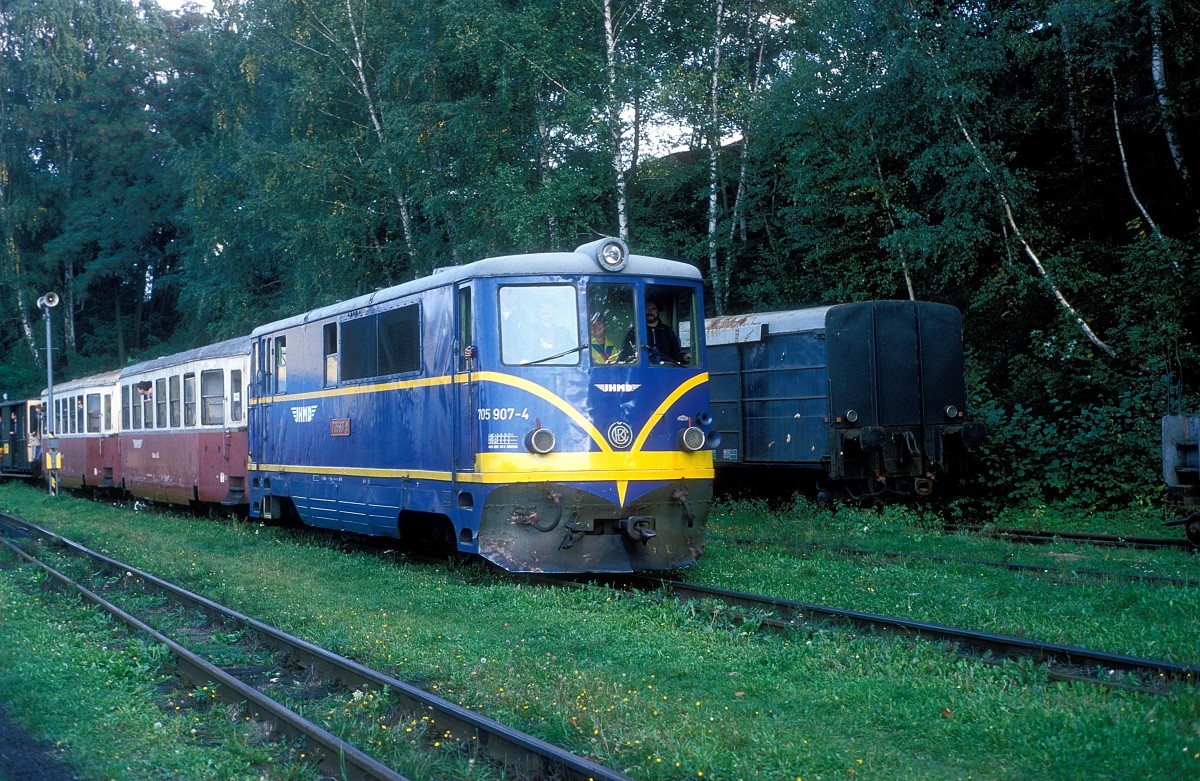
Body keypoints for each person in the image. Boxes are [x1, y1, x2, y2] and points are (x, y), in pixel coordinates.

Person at [625, 298, 689, 365]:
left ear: (658, 311)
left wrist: (683, 357)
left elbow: (675, 354)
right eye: (647, 309)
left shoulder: (667, 331)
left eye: (653, 309)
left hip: (665, 369)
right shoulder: (635, 332)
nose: (650, 312)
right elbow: (627, 355)